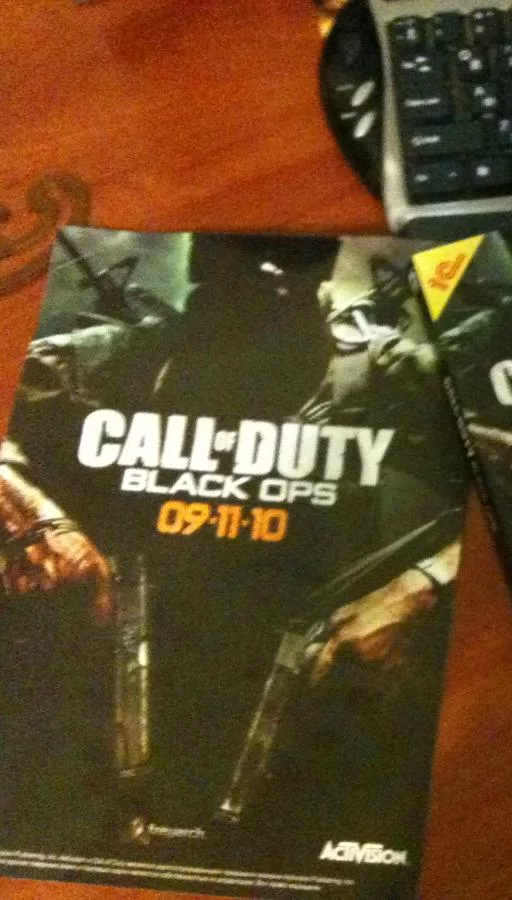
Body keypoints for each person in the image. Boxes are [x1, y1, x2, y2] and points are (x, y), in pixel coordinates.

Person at [0, 230, 463, 855]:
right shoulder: (106, 359)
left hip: (316, 705)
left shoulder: (387, 370)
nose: (267, 274)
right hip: (114, 692)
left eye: (289, 265)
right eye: (237, 269)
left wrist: (423, 587)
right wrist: (34, 524)